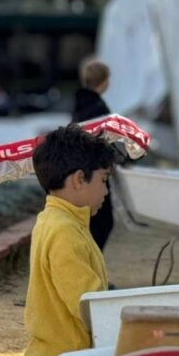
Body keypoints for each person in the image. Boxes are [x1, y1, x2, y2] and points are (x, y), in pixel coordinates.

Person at [19, 125, 118, 356]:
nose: (106, 191)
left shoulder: (57, 220)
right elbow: (89, 306)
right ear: (78, 179)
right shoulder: (65, 231)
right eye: (103, 180)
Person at [71, 57, 114, 250]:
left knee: (91, 224)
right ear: (104, 80)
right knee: (102, 223)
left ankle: (88, 263)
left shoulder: (79, 104)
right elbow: (102, 141)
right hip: (95, 172)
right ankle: (90, 265)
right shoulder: (98, 108)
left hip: (80, 169)